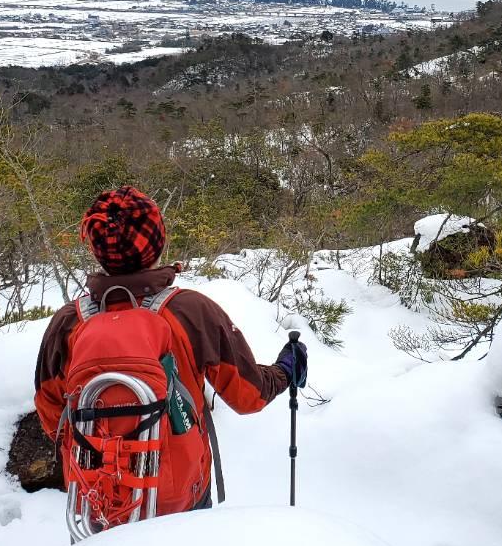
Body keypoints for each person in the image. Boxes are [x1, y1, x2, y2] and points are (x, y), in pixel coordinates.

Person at [34, 185, 307, 513]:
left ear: (96, 250)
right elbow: (249, 396)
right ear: (158, 245)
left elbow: (53, 418)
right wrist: (286, 369)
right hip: (181, 500)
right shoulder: (191, 311)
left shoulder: (68, 323)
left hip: (98, 499)